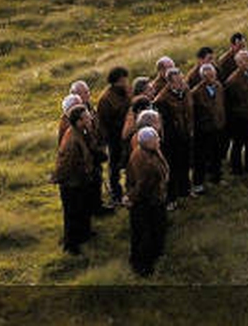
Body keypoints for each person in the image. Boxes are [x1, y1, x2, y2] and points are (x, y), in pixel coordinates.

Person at [53, 103, 95, 254]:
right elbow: (70, 167)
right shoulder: (72, 140)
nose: (90, 119)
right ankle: (71, 245)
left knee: (82, 210)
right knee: (72, 214)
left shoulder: (80, 132)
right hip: (72, 184)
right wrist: (84, 174)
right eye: (86, 118)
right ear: (78, 121)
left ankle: (83, 235)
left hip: (79, 181)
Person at [127, 126, 168, 276]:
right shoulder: (146, 163)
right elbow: (142, 187)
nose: (159, 140)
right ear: (148, 143)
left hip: (152, 199)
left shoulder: (145, 151)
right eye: (156, 139)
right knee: (145, 234)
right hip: (147, 203)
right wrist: (131, 199)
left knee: (148, 232)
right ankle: (142, 266)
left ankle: (149, 256)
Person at [154, 68, 195, 202]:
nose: (182, 83)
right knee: (173, 168)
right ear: (170, 83)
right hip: (172, 140)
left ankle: (185, 189)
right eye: (178, 81)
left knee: (185, 164)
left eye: (182, 80)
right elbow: (166, 126)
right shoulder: (162, 100)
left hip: (185, 134)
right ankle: (171, 197)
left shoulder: (186, 91)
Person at [96, 67, 132, 208]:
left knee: (130, 164)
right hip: (115, 138)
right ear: (118, 81)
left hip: (127, 135)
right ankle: (116, 194)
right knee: (115, 166)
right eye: (124, 79)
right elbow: (103, 123)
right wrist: (106, 141)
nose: (126, 81)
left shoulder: (127, 91)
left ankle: (129, 191)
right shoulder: (106, 99)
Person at [223, 49, 248, 175]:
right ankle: (236, 168)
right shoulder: (232, 82)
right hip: (239, 118)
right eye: (246, 60)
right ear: (238, 64)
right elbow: (228, 104)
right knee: (238, 144)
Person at [189, 62, 227, 189]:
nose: (211, 78)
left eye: (213, 75)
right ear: (203, 78)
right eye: (208, 76)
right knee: (201, 158)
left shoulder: (219, 87)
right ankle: (198, 183)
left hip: (218, 127)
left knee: (217, 155)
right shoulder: (196, 93)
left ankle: (216, 177)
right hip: (203, 130)